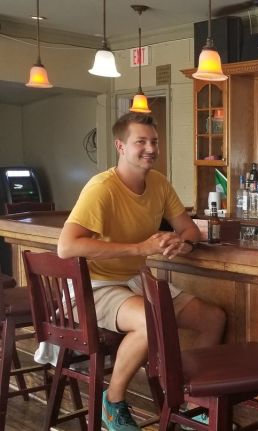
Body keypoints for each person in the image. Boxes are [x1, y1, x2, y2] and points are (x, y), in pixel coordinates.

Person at [58, 112, 227, 431]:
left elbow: (190, 230)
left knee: (212, 318)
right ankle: (113, 402)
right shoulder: (102, 188)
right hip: (97, 285)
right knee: (152, 323)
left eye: (154, 141)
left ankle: (194, 405)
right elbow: (66, 247)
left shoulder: (159, 183)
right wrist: (139, 248)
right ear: (121, 146)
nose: (150, 148)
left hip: (135, 282)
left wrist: (183, 243)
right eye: (141, 142)